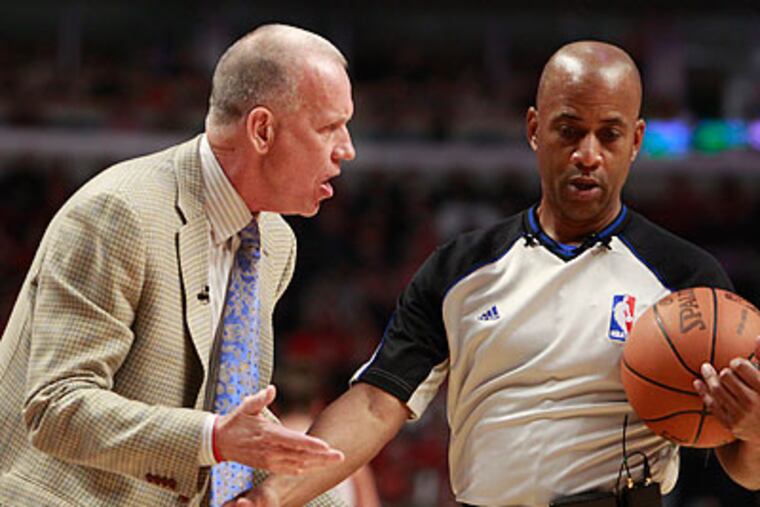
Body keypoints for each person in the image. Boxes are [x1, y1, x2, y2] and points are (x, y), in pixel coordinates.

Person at [236, 41, 760, 507]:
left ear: (637, 140)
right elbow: (376, 404)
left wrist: (756, 430)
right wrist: (270, 497)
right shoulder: (458, 269)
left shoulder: (688, 279)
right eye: (569, 131)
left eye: (609, 135)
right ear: (534, 129)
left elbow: (744, 466)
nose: (588, 154)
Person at [0, 24, 355, 507]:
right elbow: (55, 407)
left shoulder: (276, 241)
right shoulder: (119, 212)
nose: (346, 148)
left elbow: (233, 417)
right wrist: (214, 438)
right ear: (262, 130)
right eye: (329, 127)